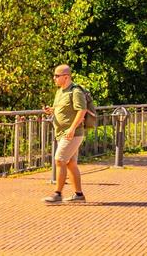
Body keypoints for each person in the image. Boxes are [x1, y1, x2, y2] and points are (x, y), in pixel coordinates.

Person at [43, 64, 89, 204]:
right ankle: (79, 195)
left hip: (71, 134)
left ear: (66, 77)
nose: (54, 78)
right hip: (62, 133)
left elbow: (82, 111)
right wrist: (52, 110)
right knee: (71, 163)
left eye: (57, 76)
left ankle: (57, 194)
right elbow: (62, 108)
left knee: (60, 159)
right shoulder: (60, 91)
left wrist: (72, 128)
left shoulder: (75, 91)